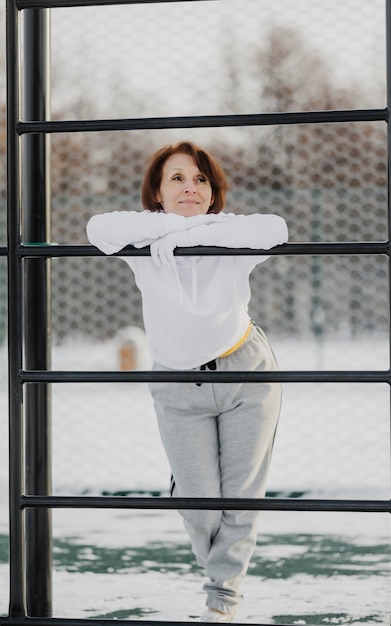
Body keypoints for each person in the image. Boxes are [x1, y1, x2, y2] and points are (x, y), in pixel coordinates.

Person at [86, 141, 288, 623]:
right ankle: (216, 569)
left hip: (245, 372)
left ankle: (222, 600)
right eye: (176, 179)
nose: (190, 188)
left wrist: (200, 227)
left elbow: (276, 229)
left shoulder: (230, 238)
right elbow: (98, 228)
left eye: (200, 180)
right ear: (156, 193)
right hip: (177, 384)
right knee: (201, 505)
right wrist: (172, 228)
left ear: (213, 191)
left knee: (240, 496)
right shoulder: (143, 244)